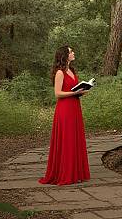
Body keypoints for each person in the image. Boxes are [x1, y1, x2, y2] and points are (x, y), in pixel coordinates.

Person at [39, 44, 91, 185]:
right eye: (71, 52)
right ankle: (65, 173)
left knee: (74, 139)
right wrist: (75, 93)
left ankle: (75, 173)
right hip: (65, 109)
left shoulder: (72, 71)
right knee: (67, 140)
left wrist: (82, 91)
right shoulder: (60, 73)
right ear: (65, 56)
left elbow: (73, 89)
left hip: (75, 107)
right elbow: (58, 93)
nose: (73, 53)